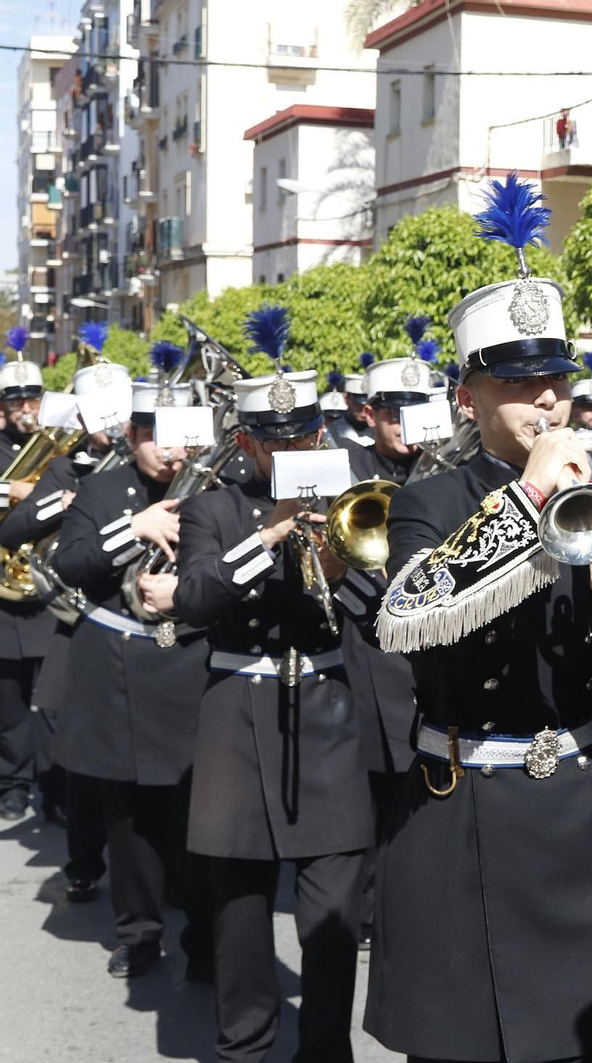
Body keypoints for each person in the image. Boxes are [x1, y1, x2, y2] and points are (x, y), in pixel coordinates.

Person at [364, 174, 592, 1063]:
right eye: (519, 382)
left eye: (556, 379)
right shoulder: (427, 500)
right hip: (455, 814)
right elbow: (411, 618)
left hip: (574, 819)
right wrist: (530, 496)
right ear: (469, 394)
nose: (547, 400)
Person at [174, 307, 373, 1063]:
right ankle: (247, 1045)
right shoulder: (212, 507)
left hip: (325, 714)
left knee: (332, 918)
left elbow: (381, 611)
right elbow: (193, 600)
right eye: (276, 441)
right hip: (237, 721)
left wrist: (345, 557)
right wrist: (266, 538)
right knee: (240, 911)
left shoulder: (346, 503)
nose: (293, 450)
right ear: (247, 442)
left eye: (305, 438)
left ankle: (324, 1050)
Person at [52, 371, 215, 980]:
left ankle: (204, 937)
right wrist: (133, 530)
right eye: (156, 436)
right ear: (132, 433)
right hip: (120, 666)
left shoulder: (213, 486)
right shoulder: (105, 488)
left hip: (195, 663)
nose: (170, 451)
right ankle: (139, 933)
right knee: (129, 821)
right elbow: (69, 562)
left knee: (201, 818)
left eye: (181, 436)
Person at [0, 358, 130, 896]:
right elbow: (16, 527)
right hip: (80, 618)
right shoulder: (67, 467)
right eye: (101, 417)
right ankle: (82, 859)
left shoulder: (150, 465)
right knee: (71, 735)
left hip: (145, 624)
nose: (113, 427)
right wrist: (63, 503)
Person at [331, 353, 427, 949]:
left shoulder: (449, 468)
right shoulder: (349, 469)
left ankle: (413, 900)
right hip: (371, 643)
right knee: (375, 785)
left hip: (433, 646)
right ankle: (369, 911)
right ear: (369, 415)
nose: (404, 423)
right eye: (393, 411)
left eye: (417, 409)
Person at [0, 356, 57, 821]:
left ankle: (56, 788)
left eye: (32, 399)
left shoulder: (58, 449)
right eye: (16, 401)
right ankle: (13, 785)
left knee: (54, 697)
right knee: (9, 702)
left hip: (46, 586)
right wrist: (7, 493)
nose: (25, 409)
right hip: (2, 594)